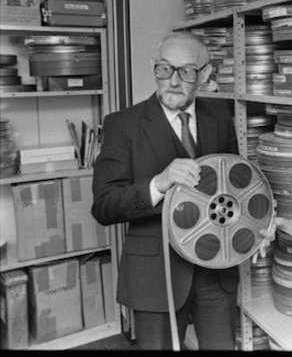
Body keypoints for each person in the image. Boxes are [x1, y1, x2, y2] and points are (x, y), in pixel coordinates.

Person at [92, 31, 240, 350]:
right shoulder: (123, 124)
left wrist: (257, 226)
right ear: (154, 67)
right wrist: (158, 184)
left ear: (206, 74)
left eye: (186, 71)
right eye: (164, 69)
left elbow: (236, 190)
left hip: (215, 269)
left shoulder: (220, 119)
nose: (173, 81)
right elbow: (103, 206)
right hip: (155, 275)